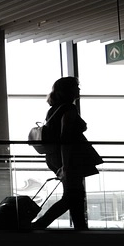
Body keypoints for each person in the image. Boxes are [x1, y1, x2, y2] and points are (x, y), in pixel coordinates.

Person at [33, 76, 102, 230]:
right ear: (68, 90)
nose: (79, 89)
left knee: (74, 194)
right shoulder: (69, 109)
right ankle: (40, 224)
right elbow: (66, 138)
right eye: (76, 87)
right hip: (68, 158)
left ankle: (80, 227)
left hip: (54, 156)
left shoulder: (53, 110)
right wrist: (66, 165)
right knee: (73, 195)